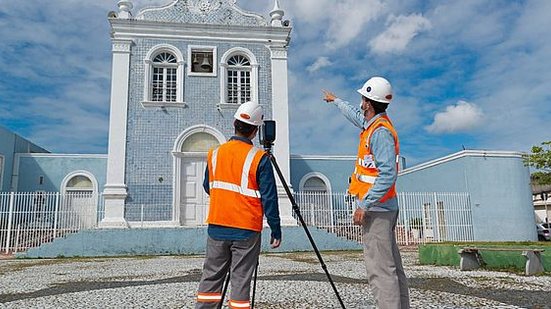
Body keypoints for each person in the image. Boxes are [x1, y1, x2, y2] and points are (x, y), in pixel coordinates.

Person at [323, 77, 410, 309]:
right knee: (391, 267)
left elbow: (388, 174)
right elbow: (354, 115)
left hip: (378, 209)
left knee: (380, 271)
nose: (360, 103)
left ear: (368, 103)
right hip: (383, 207)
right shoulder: (372, 126)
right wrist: (337, 101)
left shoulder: (380, 133)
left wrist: (365, 204)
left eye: (362, 99)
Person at [195, 101, 282, 309]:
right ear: (255, 131)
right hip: (246, 229)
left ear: (234, 123)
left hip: (217, 224)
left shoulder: (215, 153)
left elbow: (209, 186)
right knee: (240, 281)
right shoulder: (259, 157)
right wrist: (276, 229)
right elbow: (269, 197)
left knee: (211, 278)